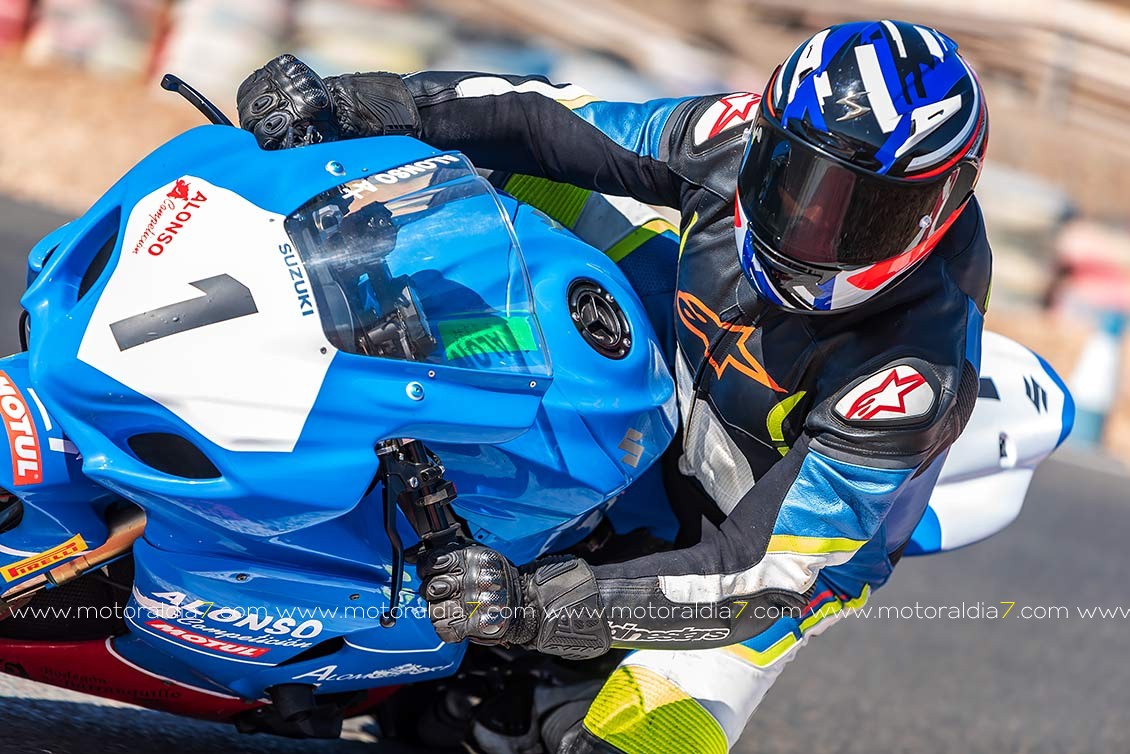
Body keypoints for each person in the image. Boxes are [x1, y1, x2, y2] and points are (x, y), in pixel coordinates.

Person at [237, 19, 990, 754]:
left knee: (648, 734)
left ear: (938, 209)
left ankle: (559, 684)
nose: (808, 225)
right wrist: (368, 105)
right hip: (689, 365)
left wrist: (531, 606)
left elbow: (757, 572)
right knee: (514, 170)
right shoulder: (734, 138)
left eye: (862, 214)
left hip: (764, 556)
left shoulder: (913, 373)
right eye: (795, 180)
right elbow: (551, 119)